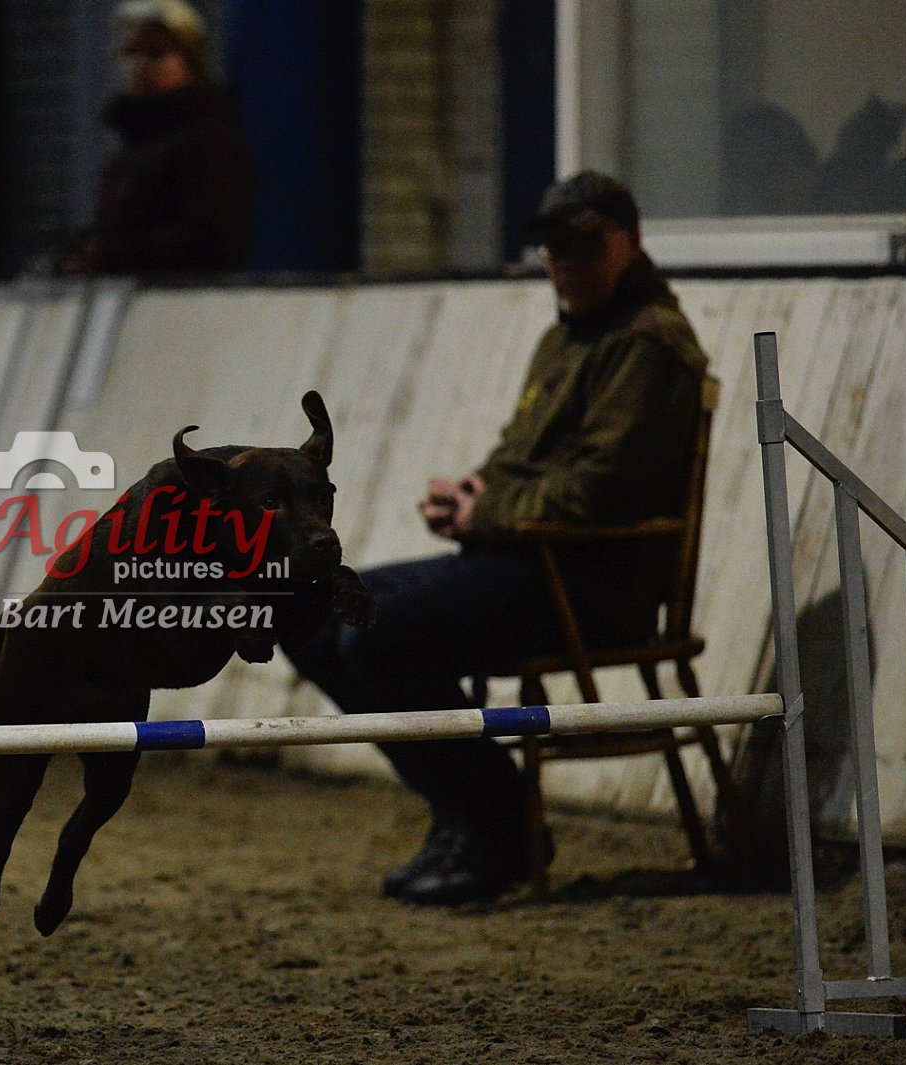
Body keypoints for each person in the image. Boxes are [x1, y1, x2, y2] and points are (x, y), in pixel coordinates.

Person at [289, 171, 710, 906]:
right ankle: (466, 810)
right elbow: (523, 458)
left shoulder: (644, 344)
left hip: (589, 584)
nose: (565, 265)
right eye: (554, 249)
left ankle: (497, 824)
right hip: (531, 561)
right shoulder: (573, 334)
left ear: (632, 241)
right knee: (309, 609)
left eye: (584, 247)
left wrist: (481, 514)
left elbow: (596, 493)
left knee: (379, 636)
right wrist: (472, 491)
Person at [57, 0, 255, 277]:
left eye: (156, 53)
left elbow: (211, 242)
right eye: (130, 53)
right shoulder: (130, 148)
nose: (139, 65)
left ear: (190, 63)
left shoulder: (210, 140)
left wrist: (111, 257)